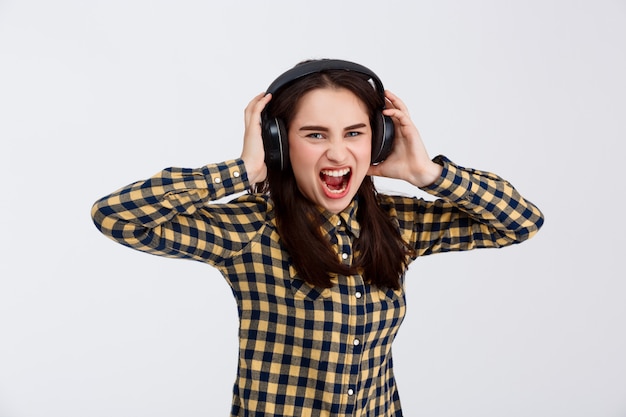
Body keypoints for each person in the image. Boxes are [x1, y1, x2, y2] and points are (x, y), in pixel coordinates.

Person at [91, 59, 544, 416]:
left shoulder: (396, 224)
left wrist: (429, 174)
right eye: (314, 134)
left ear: (379, 140)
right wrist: (241, 171)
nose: (337, 152)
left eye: (354, 133)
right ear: (280, 143)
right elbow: (117, 217)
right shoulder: (249, 229)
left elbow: (520, 221)